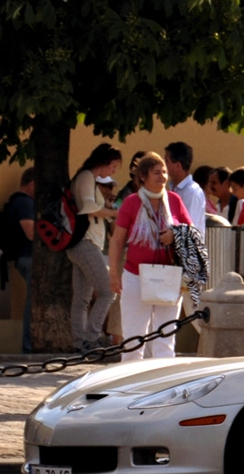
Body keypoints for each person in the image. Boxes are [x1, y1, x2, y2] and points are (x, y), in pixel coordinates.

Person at [107, 153, 190, 361]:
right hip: (135, 276)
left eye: (164, 171)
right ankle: (132, 388)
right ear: (143, 176)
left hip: (168, 277)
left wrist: (175, 235)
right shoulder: (131, 202)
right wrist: (114, 275)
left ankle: (162, 387)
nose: (162, 176)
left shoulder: (174, 200)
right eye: (156, 172)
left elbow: (191, 233)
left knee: (165, 340)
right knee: (133, 340)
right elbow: (117, 241)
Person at [70, 148, 122, 352]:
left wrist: (108, 208)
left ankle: (79, 341)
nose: (114, 172)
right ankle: (91, 338)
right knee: (109, 290)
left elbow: (95, 211)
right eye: (114, 166)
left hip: (86, 243)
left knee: (82, 298)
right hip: (85, 243)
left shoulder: (88, 178)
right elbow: (88, 208)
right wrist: (116, 213)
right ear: (106, 161)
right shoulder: (86, 176)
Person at [3, 169, 37, 353]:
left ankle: (30, 345)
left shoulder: (19, 201)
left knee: (33, 301)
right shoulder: (24, 202)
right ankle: (29, 346)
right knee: (32, 303)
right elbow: (31, 233)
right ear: (32, 184)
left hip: (23, 257)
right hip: (28, 257)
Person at [164, 143, 206, 232]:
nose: (163, 165)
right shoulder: (173, 188)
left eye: (167, 161)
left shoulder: (192, 192)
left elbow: (188, 228)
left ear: (178, 166)